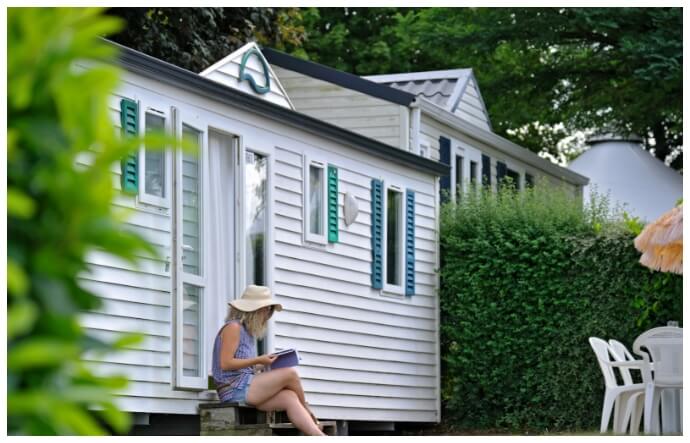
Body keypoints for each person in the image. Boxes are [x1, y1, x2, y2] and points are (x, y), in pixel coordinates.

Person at [211, 285, 325, 436]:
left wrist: (261, 364)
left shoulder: (247, 332)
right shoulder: (233, 327)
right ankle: (308, 410)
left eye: (269, 310)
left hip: (244, 386)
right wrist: (258, 359)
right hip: (233, 389)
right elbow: (225, 363)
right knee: (290, 374)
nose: (268, 313)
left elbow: (241, 365)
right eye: (266, 309)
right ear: (255, 309)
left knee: (289, 397)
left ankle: (320, 436)